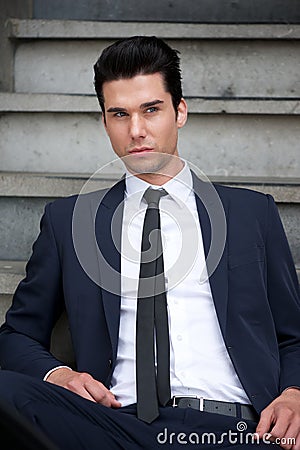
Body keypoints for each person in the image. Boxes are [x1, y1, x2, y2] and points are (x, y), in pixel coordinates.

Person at [0, 36, 299, 450]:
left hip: (235, 429)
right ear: (105, 121)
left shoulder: (251, 214)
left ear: (179, 112)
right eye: (119, 114)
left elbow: (293, 334)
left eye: (151, 110)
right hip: (117, 425)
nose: (136, 131)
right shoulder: (69, 222)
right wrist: (60, 375)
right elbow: (16, 335)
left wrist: (295, 393)